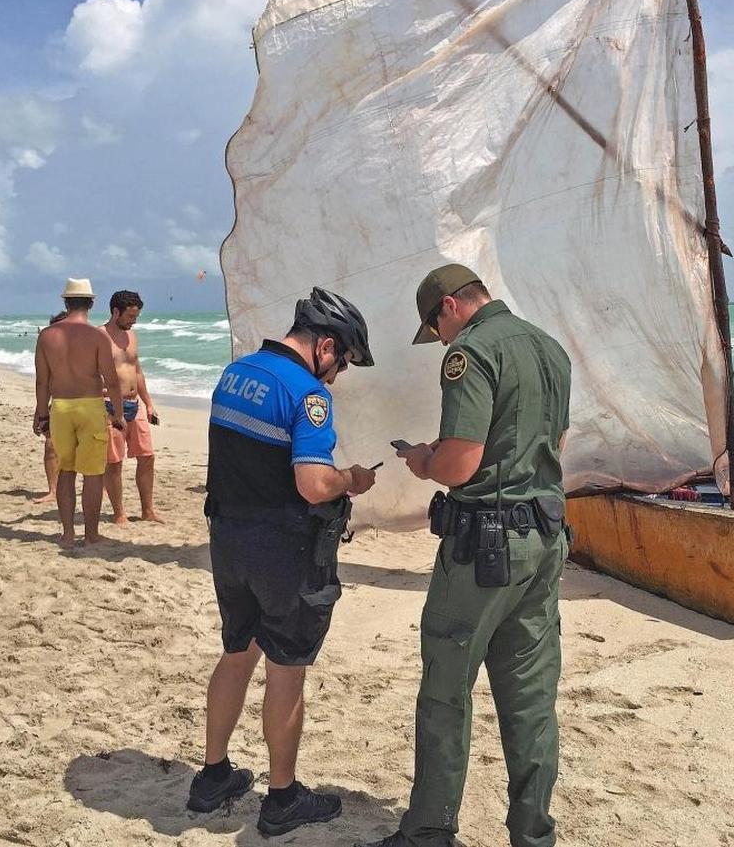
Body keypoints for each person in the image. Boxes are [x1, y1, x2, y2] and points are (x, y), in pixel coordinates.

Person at [360, 265, 572, 847]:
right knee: (530, 696)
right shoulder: (549, 347)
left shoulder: (471, 353)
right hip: (544, 539)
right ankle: (533, 835)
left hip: (484, 547)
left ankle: (429, 830)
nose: (441, 337)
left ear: (451, 306)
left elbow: (461, 464)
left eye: (437, 325)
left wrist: (425, 460)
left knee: (446, 690)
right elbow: (553, 444)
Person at [189, 287, 378, 837]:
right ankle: (282, 797)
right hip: (284, 551)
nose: (337, 375)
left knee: (236, 654)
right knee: (286, 671)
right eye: (340, 361)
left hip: (228, 539)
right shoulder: (308, 395)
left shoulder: (235, 374)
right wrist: (353, 480)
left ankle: (213, 775)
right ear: (324, 345)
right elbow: (314, 485)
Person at [33, 279, 123, 545]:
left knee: (66, 471)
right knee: (93, 473)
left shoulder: (47, 335)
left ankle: (69, 533)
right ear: (91, 303)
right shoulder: (97, 336)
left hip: (60, 406)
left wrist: (41, 413)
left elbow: (42, 381)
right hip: (90, 405)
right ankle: (91, 534)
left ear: (65, 302)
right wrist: (118, 414)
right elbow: (112, 380)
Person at [102, 290, 162, 524]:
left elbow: (137, 370)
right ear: (115, 311)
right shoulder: (99, 337)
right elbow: (88, 373)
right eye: (130, 316)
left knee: (147, 456)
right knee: (114, 461)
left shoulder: (132, 336)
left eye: (136, 316)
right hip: (109, 405)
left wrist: (148, 403)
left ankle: (148, 510)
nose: (133, 320)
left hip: (134, 403)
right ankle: (119, 513)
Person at [32, 311, 67, 503]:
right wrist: (40, 412)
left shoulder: (85, 348)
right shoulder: (50, 353)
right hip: (58, 404)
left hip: (86, 403)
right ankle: (53, 490)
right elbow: (44, 384)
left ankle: (101, 488)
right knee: (51, 445)